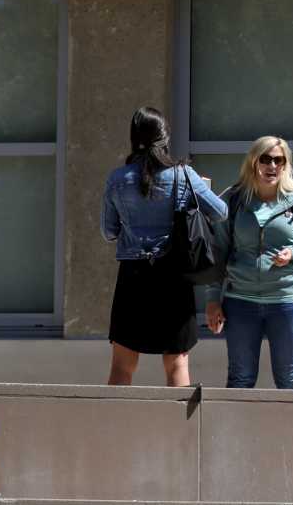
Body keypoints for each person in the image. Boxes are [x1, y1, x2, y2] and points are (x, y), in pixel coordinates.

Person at [101, 105, 227, 387]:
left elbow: (108, 232)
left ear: (134, 139)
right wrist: (198, 191)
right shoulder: (184, 175)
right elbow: (220, 212)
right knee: (177, 362)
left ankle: (115, 429)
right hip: (174, 276)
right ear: (165, 139)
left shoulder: (117, 179)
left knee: (122, 364)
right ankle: (178, 431)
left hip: (133, 277)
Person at [205, 136, 293, 389]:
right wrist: (213, 299)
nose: (272, 166)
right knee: (240, 379)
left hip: (287, 301)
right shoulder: (235, 199)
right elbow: (219, 251)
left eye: (278, 160)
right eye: (265, 159)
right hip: (241, 301)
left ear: (285, 165)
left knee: (290, 381)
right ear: (253, 162)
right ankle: (235, 431)